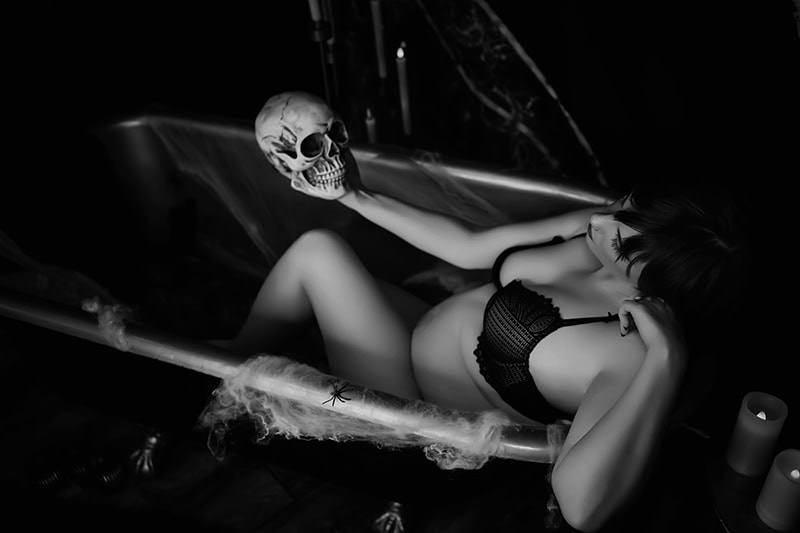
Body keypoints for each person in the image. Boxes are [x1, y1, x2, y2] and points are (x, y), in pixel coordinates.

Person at [215, 150, 750, 530]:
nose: (604, 222)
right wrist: (355, 194)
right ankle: (221, 359)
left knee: (318, 255)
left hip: (414, 414)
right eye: (624, 206)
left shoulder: (626, 348)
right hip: (416, 335)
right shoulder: (604, 228)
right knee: (315, 248)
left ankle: (216, 366)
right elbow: (471, 247)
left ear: (652, 286)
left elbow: (583, 508)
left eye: (622, 242)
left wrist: (665, 359)